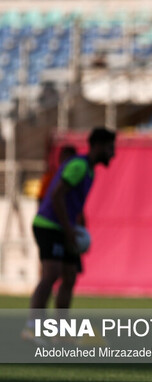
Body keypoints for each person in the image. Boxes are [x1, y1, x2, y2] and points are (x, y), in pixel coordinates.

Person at [22, 127, 116, 343]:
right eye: (111, 148)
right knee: (52, 273)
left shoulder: (89, 170)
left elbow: (75, 204)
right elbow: (56, 196)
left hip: (65, 227)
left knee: (70, 275)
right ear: (99, 146)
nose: (113, 154)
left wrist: (80, 229)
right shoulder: (79, 166)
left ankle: (60, 332)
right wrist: (68, 230)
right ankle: (32, 327)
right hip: (49, 225)